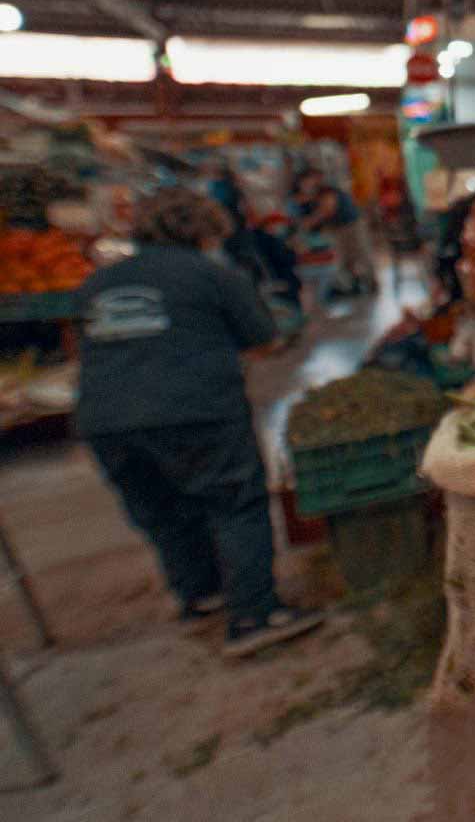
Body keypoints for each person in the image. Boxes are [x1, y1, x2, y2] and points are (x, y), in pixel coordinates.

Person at [74, 187, 323, 657]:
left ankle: (202, 595)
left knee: (163, 510)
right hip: (194, 410)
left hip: (105, 420)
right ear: (204, 230)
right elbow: (264, 341)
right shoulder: (212, 277)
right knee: (234, 503)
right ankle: (254, 616)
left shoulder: (96, 284)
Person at [294, 169, 378, 297]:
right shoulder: (311, 195)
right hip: (337, 229)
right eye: (303, 182)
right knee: (345, 259)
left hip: (352, 224)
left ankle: (372, 284)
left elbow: (327, 209)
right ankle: (355, 286)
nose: (306, 185)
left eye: (307, 181)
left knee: (361, 253)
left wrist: (308, 222)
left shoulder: (327, 190)